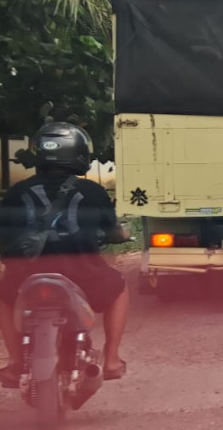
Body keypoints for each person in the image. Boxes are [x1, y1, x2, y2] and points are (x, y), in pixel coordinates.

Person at [0, 123, 131, 388]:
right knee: (120, 288)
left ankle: (15, 364)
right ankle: (112, 359)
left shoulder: (17, 191)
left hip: (25, 274)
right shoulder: (92, 191)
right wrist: (122, 235)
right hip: (82, 273)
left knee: (4, 299)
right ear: (79, 154)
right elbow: (112, 231)